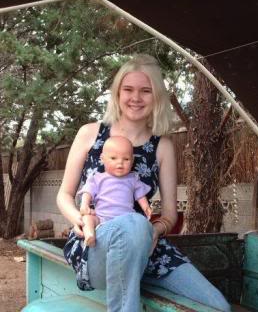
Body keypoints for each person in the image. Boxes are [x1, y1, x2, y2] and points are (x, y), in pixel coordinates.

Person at [57, 54, 231, 312]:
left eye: (145, 91)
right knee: (134, 222)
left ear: (157, 96)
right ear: (117, 93)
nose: (135, 98)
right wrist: (80, 220)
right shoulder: (90, 133)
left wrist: (154, 232)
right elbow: (64, 194)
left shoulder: (163, 146)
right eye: (128, 89)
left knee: (218, 306)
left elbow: (170, 215)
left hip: (147, 246)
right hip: (95, 242)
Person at [78, 135, 152, 247]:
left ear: (132, 160)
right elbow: (88, 191)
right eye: (113, 158)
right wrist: (84, 205)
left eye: (126, 159)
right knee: (87, 219)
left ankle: (145, 244)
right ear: (102, 159)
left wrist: (146, 207)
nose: (120, 163)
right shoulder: (98, 178)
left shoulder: (133, 178)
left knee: (141, 223)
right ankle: (89, 234)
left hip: (126, 219)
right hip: (102, 218)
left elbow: (140, 195)